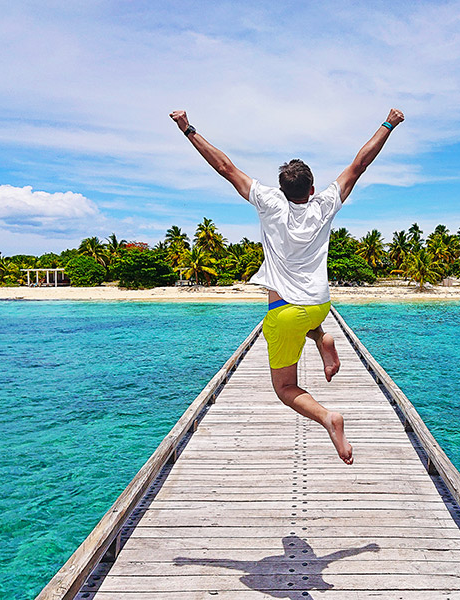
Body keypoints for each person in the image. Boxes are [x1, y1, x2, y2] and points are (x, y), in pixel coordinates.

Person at [169, 108, 404, 464]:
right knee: (306, 318)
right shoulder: (324, 204)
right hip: (320, 305)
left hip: (285, 312)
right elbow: (359, 165)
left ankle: (328, 417)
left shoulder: (268, 203)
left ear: (280, 189)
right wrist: (388, 124)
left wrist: (188, 129)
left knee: (285, 389)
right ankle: (323, 337)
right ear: (311, 189)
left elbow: (225, 168)